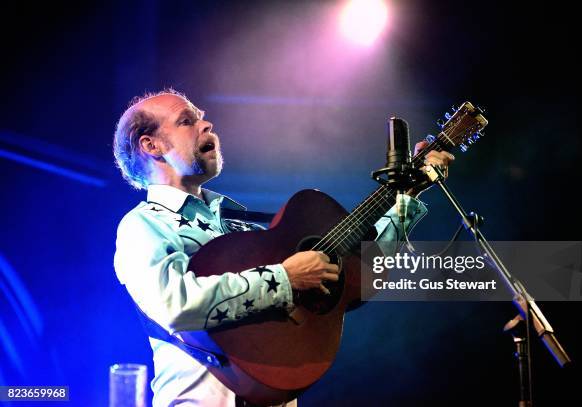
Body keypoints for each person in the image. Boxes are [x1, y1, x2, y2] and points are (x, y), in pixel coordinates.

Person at [112, 89, 454, 407]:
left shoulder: (240, 224)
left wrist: (406, 196)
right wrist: (285, 278)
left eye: (201, 116)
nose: (206, 123)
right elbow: (175, 303)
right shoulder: (144, 226)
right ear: (151, 146)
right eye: (187, 121)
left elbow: (356, 274)